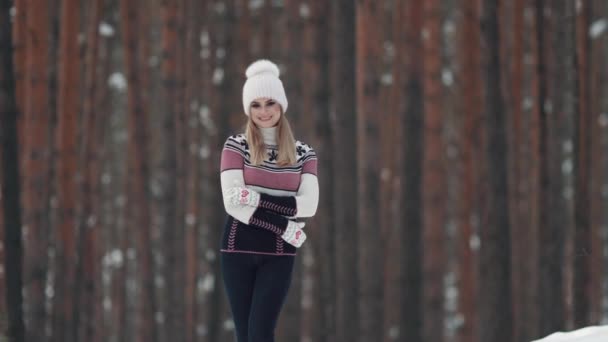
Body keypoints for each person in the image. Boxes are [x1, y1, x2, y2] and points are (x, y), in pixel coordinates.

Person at [219, 59, 319, 342]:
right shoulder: (236, 146)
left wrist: (254, 197)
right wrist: (285, 226)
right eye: (256, 104)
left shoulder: (304, 154)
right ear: (248, 108)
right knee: (244, 334)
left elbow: (309, 205)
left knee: (261, 332)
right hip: (238, 248)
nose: (263, 111)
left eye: (270, 103)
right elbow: (233, 204)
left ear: (281, 105)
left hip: (279, 254)